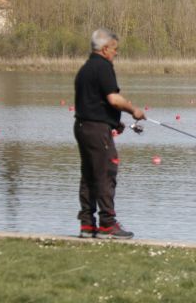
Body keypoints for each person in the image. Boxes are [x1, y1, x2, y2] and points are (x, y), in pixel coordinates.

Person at [74, 28, 145, 239]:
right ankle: (107, 223)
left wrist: (114, 122)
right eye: (115, 49)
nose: (116, 53)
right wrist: (134, 110)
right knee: (106, 173)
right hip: (96, 131)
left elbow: (94, 104)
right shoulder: (103, 67)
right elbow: (113, 99)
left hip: (83, 127)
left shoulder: (85, 69)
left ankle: (87, 224)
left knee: (89, 175)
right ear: (105, 49)